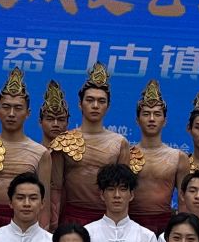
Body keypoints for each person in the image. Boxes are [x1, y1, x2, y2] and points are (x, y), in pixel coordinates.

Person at [0, 70, 52, 236]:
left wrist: (40, 237)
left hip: (25, 226)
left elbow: (45, 202)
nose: (11, 114)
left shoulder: (41, 153)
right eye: (6, 107)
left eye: (18, 108)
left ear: (28, 113)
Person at [53, 64, 130, 228]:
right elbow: (56, 188)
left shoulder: (119, 143)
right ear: (80, 104)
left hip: (107, 220)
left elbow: (124, 189)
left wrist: (121, 226)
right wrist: (53, 225)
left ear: (108, 106)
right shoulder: (64, 141)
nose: (95, 105)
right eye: (90, 100)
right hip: (72, 218)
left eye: (101, 101)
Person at [128, 79, 189, 227]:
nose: (151, 119)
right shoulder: (126, 154)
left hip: (164, 224)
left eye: (157, 114)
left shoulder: (178, 157)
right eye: (146, 114)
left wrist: (182, 229)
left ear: (165, 121)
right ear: (137, 120)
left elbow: (184, 200)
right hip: (131, 224)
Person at [39, 79, 73, 146]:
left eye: (61, 119)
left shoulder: (77, 152)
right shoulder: (31, 152)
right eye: (50, 119)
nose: (55, 124)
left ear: (67, 123)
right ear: (40, 122)